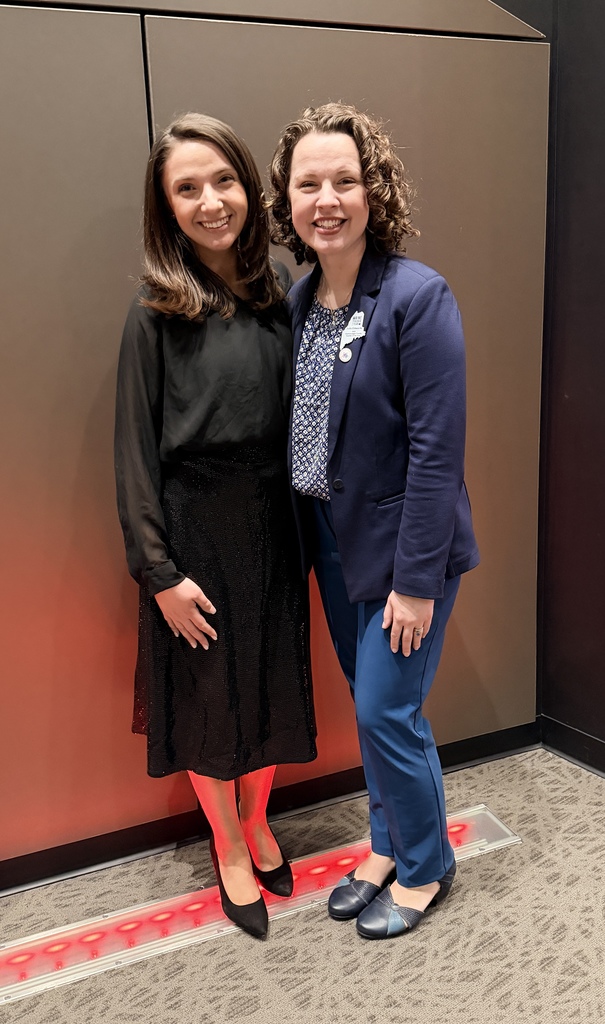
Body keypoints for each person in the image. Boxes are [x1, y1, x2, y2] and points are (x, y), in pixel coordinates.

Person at [268, 102, 479, 939]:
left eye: (344, 180)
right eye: (308, 182)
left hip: (402, 555)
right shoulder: (297, 303)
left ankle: (426, 866)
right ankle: (387, 844)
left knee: (390, 713)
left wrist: (416, 583)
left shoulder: (416, 298)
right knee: (371, 708)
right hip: (330, 544)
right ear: (287, 200)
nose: (327, 197)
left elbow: (437, 452)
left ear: (372, 190)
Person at [114, 113, 316, 939]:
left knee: (267, 687)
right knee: (206, 704)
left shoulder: (279, 298)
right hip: (191, 536)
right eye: (186, 189)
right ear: (166, 208)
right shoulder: (153, 314)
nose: (209, 201)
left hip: (273, 526)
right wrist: (157, 573)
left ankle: (260, 818)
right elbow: (132, 455)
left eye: (222, 180)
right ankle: (228, 843)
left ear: (246, 186)